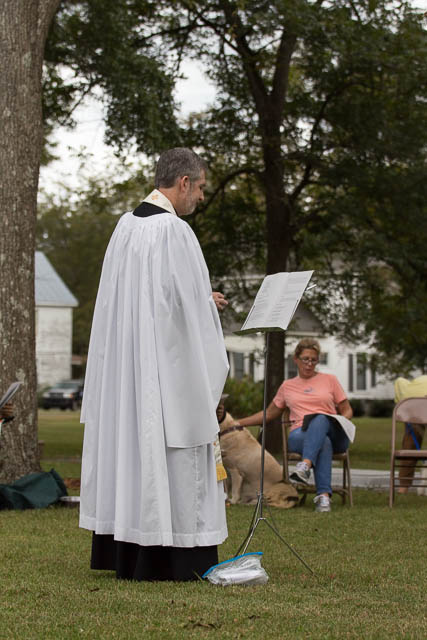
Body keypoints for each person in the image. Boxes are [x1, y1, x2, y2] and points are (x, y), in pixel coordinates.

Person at [79, 148, 230, 581]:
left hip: (132, 369)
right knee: (172, 451)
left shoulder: (124, 229)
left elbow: (137, 304)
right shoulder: (174, 232)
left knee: (136, 452)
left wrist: (202, 299)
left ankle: (130, 550)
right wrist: (206, 308)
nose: (200, 196)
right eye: (200, 187)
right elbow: (182, 312)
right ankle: (178, 553)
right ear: (183, 183)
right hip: (164, 373)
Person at [234, 338, 353, 512]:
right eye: (305, 359)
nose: (309, 364)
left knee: (320, 419)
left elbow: (347, 409)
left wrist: (343, 421)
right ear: (296, 359)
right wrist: (237, 423)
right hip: (300, 435)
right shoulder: (287, 386)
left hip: (335, 433)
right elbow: (269, 413)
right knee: (323, 441)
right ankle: (323, 497)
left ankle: (305, 466)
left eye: (313, 360)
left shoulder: (330, 380)